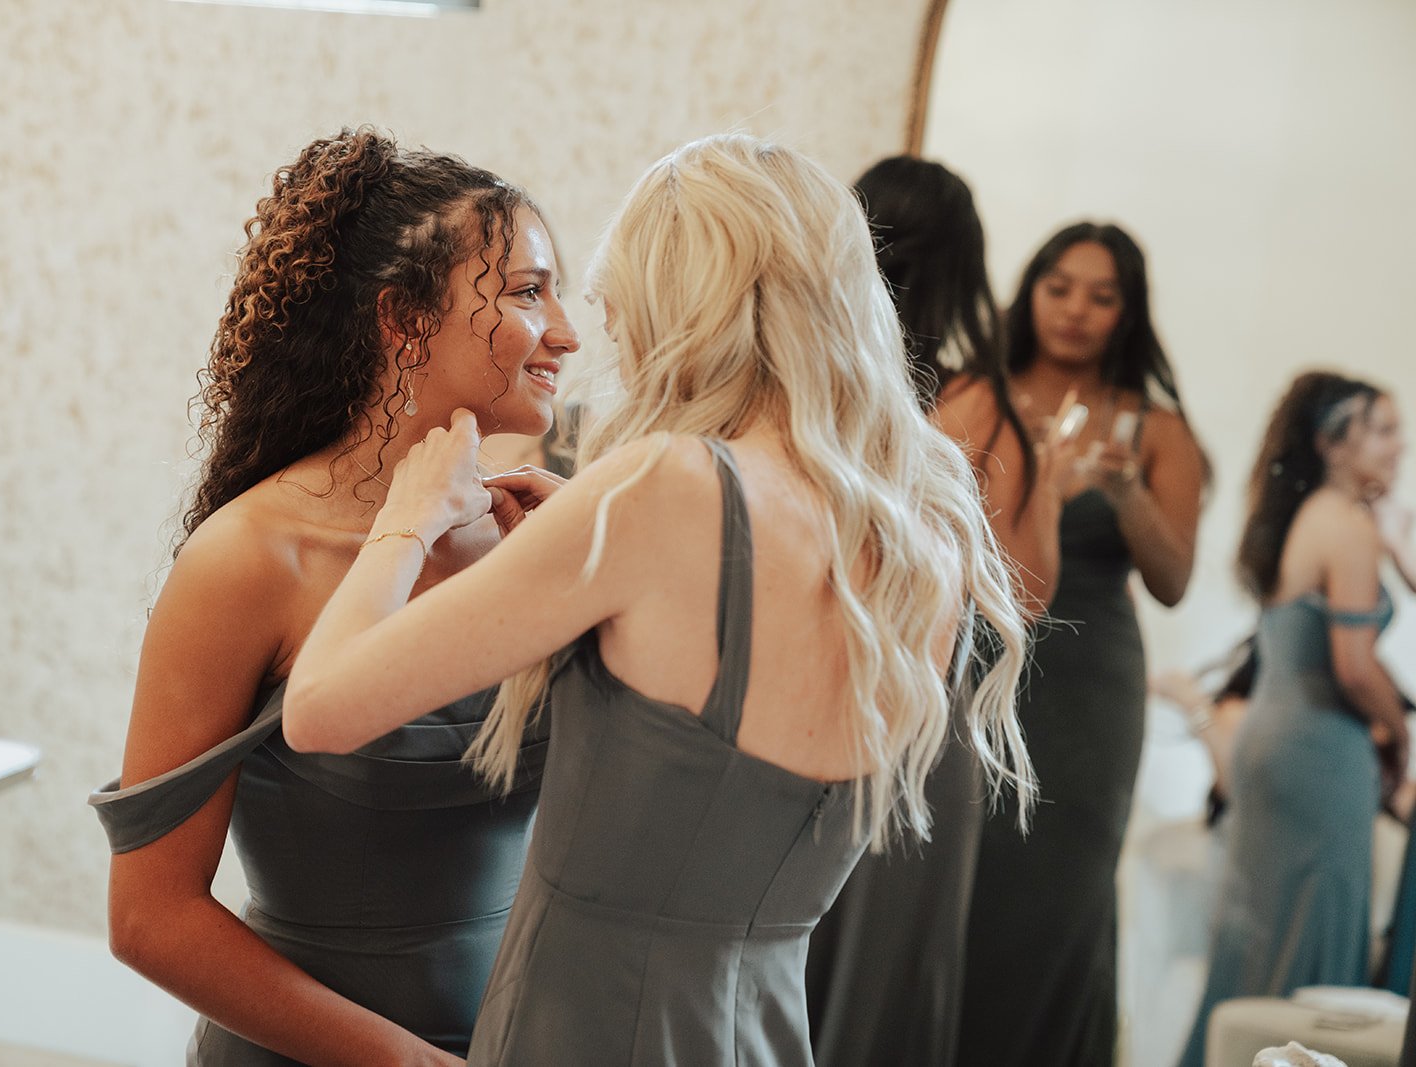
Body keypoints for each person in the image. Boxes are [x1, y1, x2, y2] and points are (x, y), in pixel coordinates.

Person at [281, 133, 1036, 1066]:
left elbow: (317, 712)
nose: (609, 343)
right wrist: (579, 558)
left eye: (614, 307)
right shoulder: (926, 530)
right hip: (761, 1031)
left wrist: (406, 516)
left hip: (587, 1026)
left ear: (683, 305)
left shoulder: (665, 489)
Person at [88, 127, 579, 1065]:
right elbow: (149, 916)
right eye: (526, 291)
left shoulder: (527, 529)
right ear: (402, 320)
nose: (566, 329)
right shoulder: (246, 559)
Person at [804, 155, 1063, 1067]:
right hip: (917, 698)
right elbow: (1023, 594)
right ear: (965, 264)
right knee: (885, 969)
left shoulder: (812, 386)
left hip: (807, 680)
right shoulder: (979, 404)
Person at [956, 221, 1206, 1066]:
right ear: (1030, 289)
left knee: (1056, 896)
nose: (1075, 310)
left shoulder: (1156, 427)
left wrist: (1127, 490)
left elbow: (1172, 577)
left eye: (1103, 297)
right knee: (963, 881)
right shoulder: (973, 391)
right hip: (976, 656)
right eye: (1060, 287)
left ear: (1128, 313)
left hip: (1088, 685)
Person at [1179, 372, 1407, 1067]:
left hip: (1273, 740)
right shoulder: (1346, 524)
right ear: (1332, 442)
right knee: (1314, 929)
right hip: (1320, 749)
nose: (1401, 445)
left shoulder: (1309, 515)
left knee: (1256, 935)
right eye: (1385, 428)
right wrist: (1399, 733)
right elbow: (1356, 666)